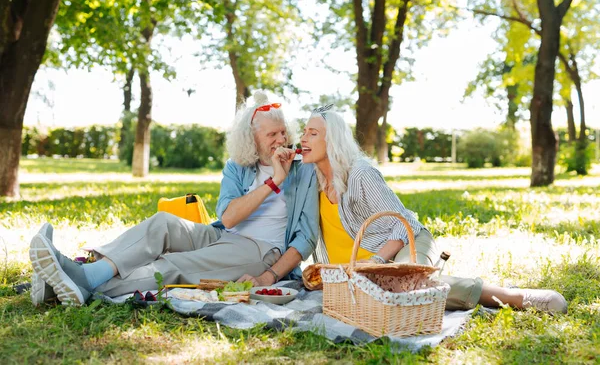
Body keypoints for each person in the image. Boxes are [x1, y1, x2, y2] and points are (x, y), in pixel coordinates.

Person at [29, 91, 319, 306]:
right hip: (223, 235)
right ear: (252, 140)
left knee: (173, 265)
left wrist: (268, 277)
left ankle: (76, 282)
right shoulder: (238, 166)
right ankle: (86, 274)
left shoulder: (302, 171)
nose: (281, 140)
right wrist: (272, 182)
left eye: (283, 132)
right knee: (163, 223)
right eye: (272, 134)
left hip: (261, 252)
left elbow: (305, 239)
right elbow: (228, 217)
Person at [299, 106, 568, 314]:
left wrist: (377, 262)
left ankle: (509, 296)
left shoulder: (360, 174)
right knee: (380, 297)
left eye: (313, 133)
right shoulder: (310, 179)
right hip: (356, 274)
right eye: (304, 132)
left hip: (404, 242)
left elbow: (401, 222)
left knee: (405, 287)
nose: (303, 138)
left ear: (333, 141)